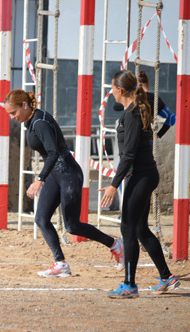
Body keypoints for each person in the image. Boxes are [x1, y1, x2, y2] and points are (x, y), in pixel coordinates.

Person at [4, 89, 125, 278]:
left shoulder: (40, 121)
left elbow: (53, 153)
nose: (12, 117)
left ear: (24, 105)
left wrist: (39, 179)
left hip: (68, 172)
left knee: (72, 225)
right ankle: (60, 264)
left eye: (13, 112)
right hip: (55, 173)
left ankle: (116, 245)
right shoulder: (31, 120)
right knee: (41, 219)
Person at [100, 70, 180, 299]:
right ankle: (167, 277)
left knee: (127, 229)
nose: (111, 92)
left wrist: (114, 184)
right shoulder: (131, 112)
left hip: (142, 175)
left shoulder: (132, 115)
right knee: (140, 229)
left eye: (112, 88)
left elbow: (129, 155)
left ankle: (129, 285)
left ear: (120, 90)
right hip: (143, 175)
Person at [113, 70, 175, 138]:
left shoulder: (132, 99)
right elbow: (172, 118)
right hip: (147, 137)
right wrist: (158, 135)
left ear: (137, 85)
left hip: (130, 134)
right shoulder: (156, 100)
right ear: (148, 84)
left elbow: (115, 107)